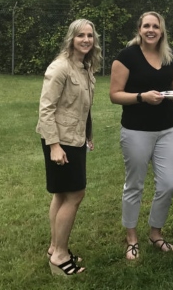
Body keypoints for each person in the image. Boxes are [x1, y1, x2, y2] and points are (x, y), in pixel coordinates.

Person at [110, 11, 173, 260]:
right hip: (136, 130)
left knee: (167, 185)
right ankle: (131, 238)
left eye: (156, 26)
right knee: (135, 185)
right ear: (139, 29)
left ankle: (155, 233)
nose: (151, 30)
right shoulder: (127, 56)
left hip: (166, 130)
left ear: (162, 31)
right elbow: (115, 94)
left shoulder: (171, 57)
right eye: (146, 26)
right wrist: (142, 97)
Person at [36, 19, 101, 276]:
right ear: (71, 38)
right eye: (80, 35)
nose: (86, 40)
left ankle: (55, 247)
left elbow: (82, 108)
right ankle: (60, 256)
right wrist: (54, 145)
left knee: (61, 194)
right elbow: (46, 108)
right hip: (60, 140)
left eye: (90, 36)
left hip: (75, 139)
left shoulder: (84, 67)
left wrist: (87, 135)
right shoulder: (60, 67)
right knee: (75, 195)